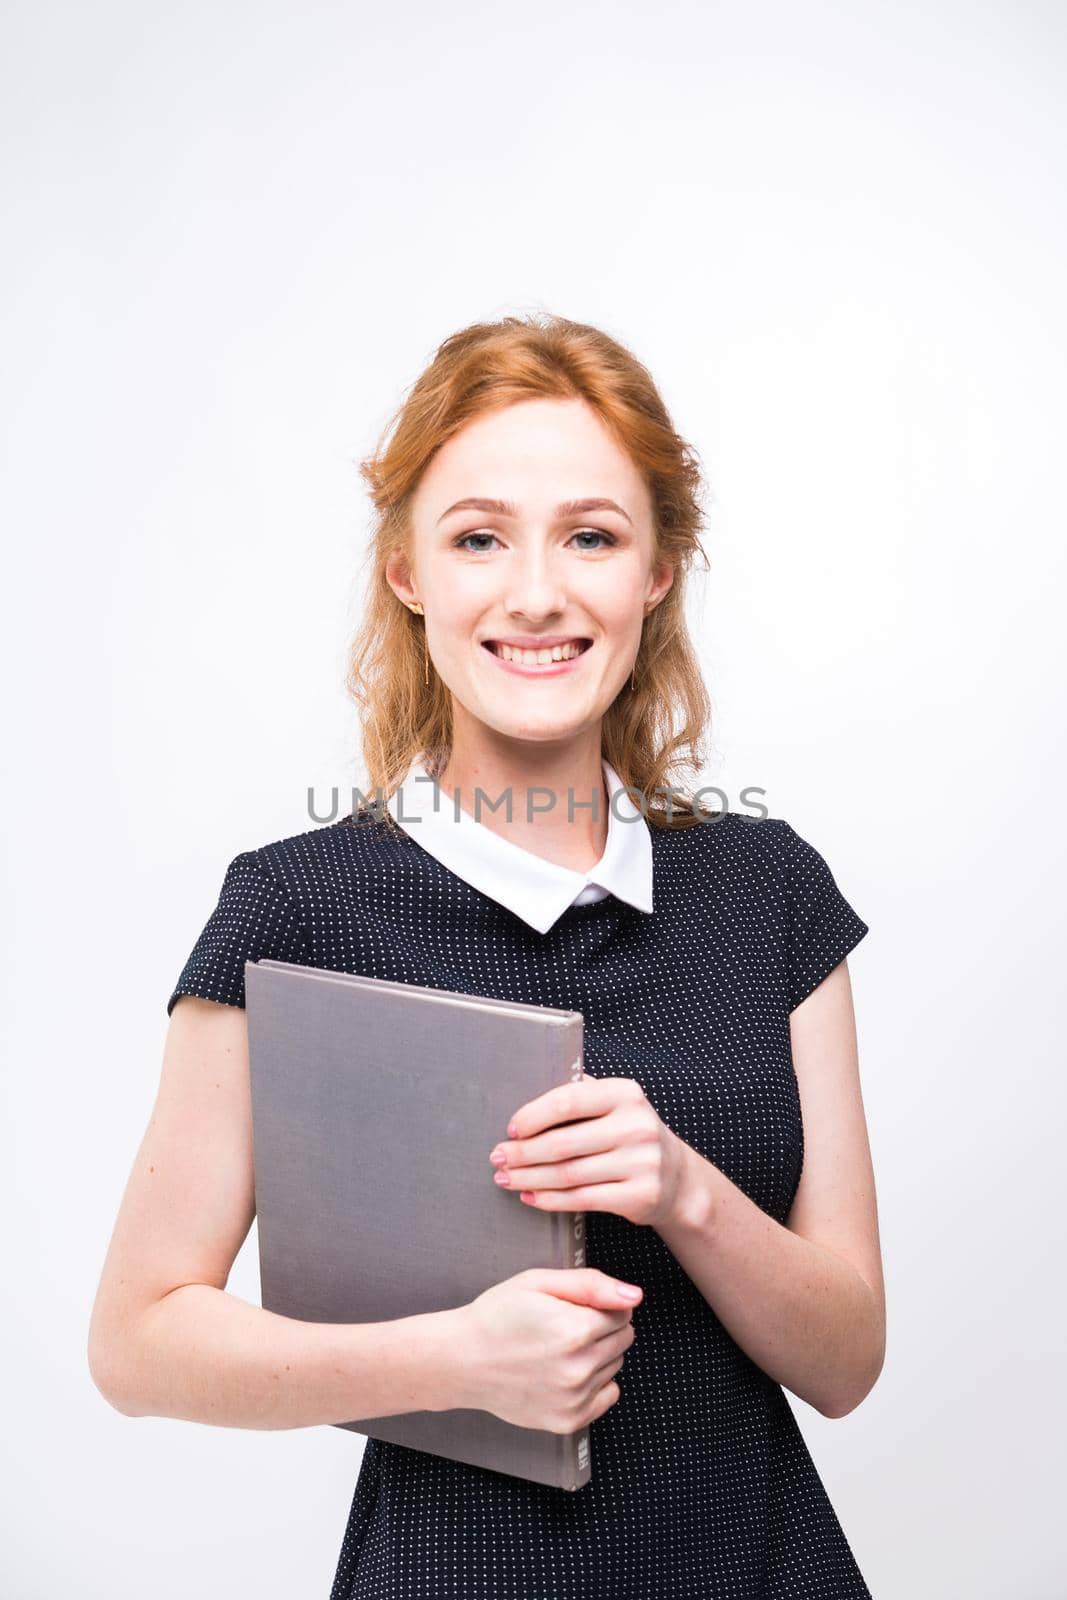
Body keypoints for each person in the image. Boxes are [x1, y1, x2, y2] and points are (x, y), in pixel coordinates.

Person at [87, 313, 884, 1598]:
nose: (534, 593)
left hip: (757, 1563)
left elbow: (846, 1362)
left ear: (656, 572)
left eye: (590, 535)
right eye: (477, 537)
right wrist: (452, 1360)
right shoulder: (297, 906)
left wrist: (684, 1189)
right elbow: (135, 1341)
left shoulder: (768, 890)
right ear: (408, 571)